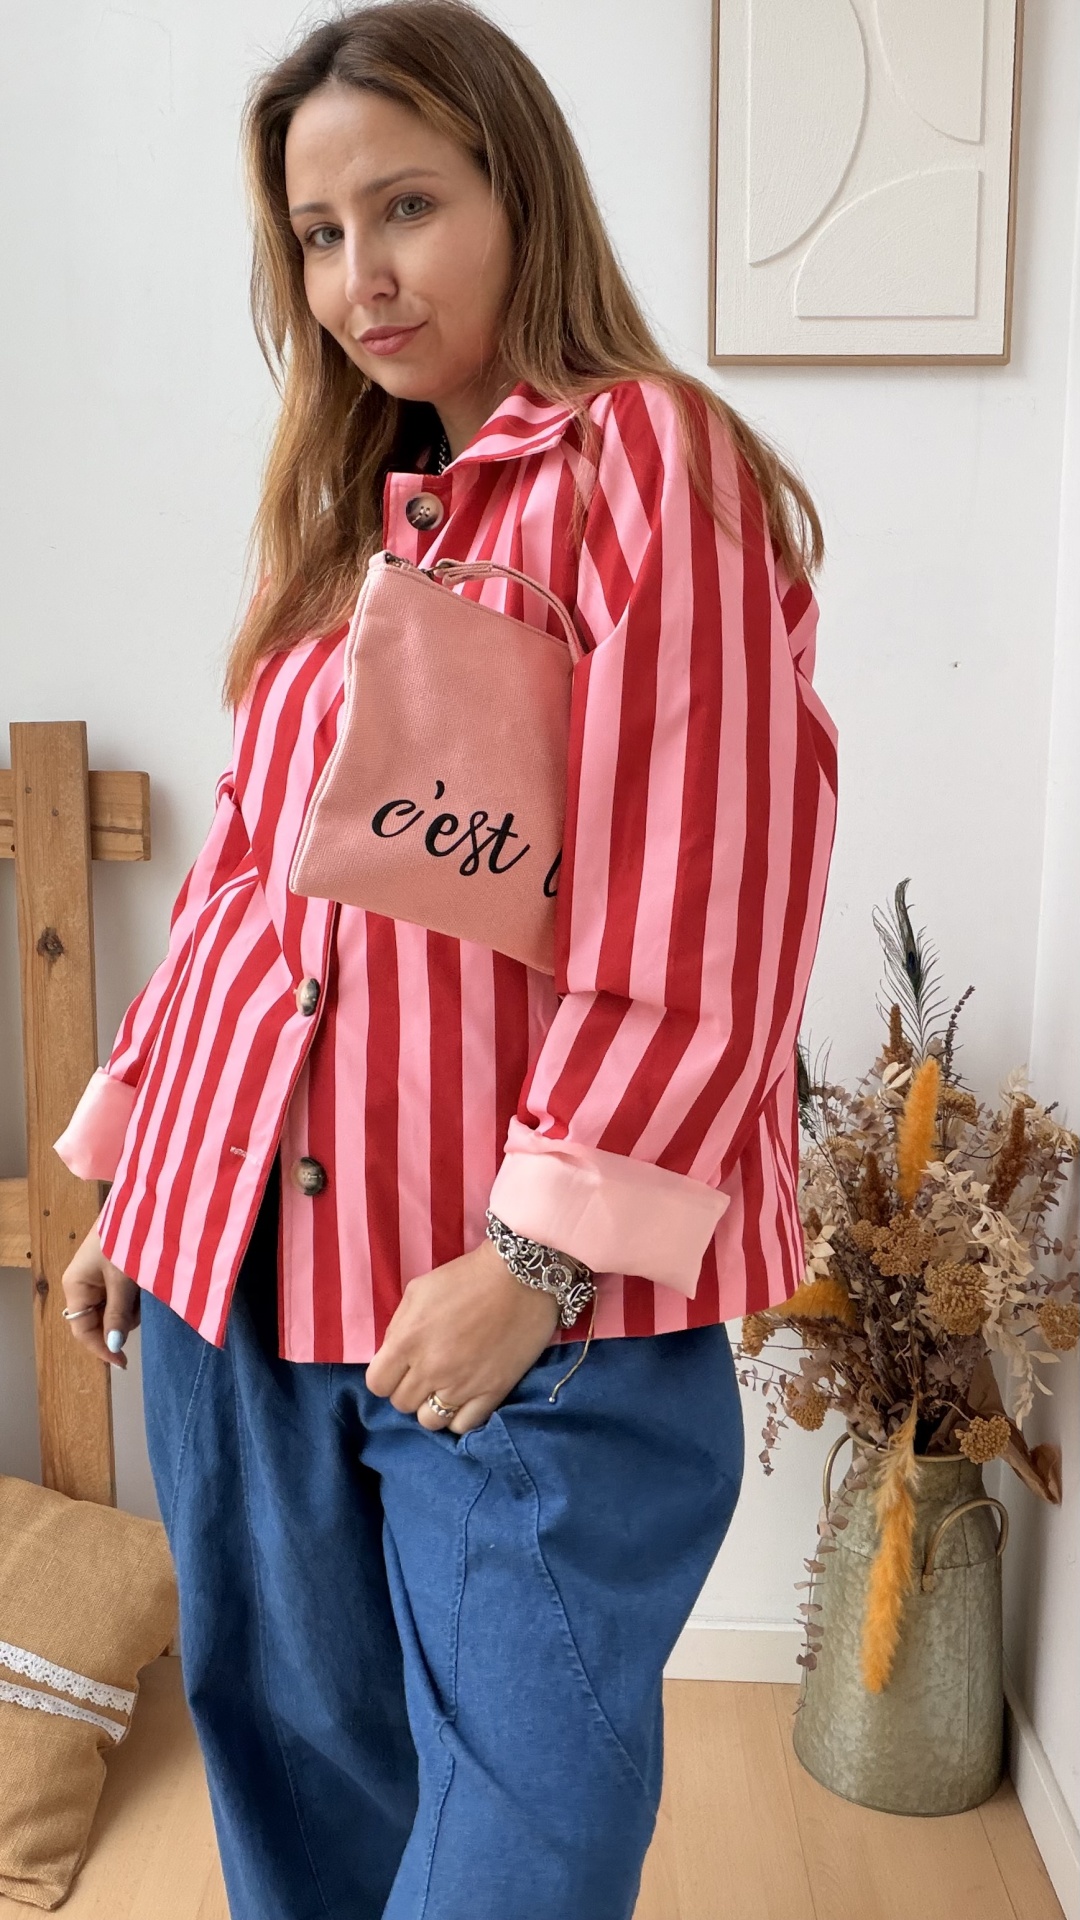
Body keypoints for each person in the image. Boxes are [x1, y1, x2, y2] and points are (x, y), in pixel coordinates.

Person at [54, 5, 839, 1916]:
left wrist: (534, 1259)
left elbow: (712, 889)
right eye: (319, 236)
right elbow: (248, 882)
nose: (362, 279)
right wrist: (143, 1163)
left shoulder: (649, 466)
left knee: (519, 1850)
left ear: (520, 190)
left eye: (406, 206)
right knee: (300, 1801)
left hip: (509, 1318)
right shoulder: (336, 529)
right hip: (236, 1283)